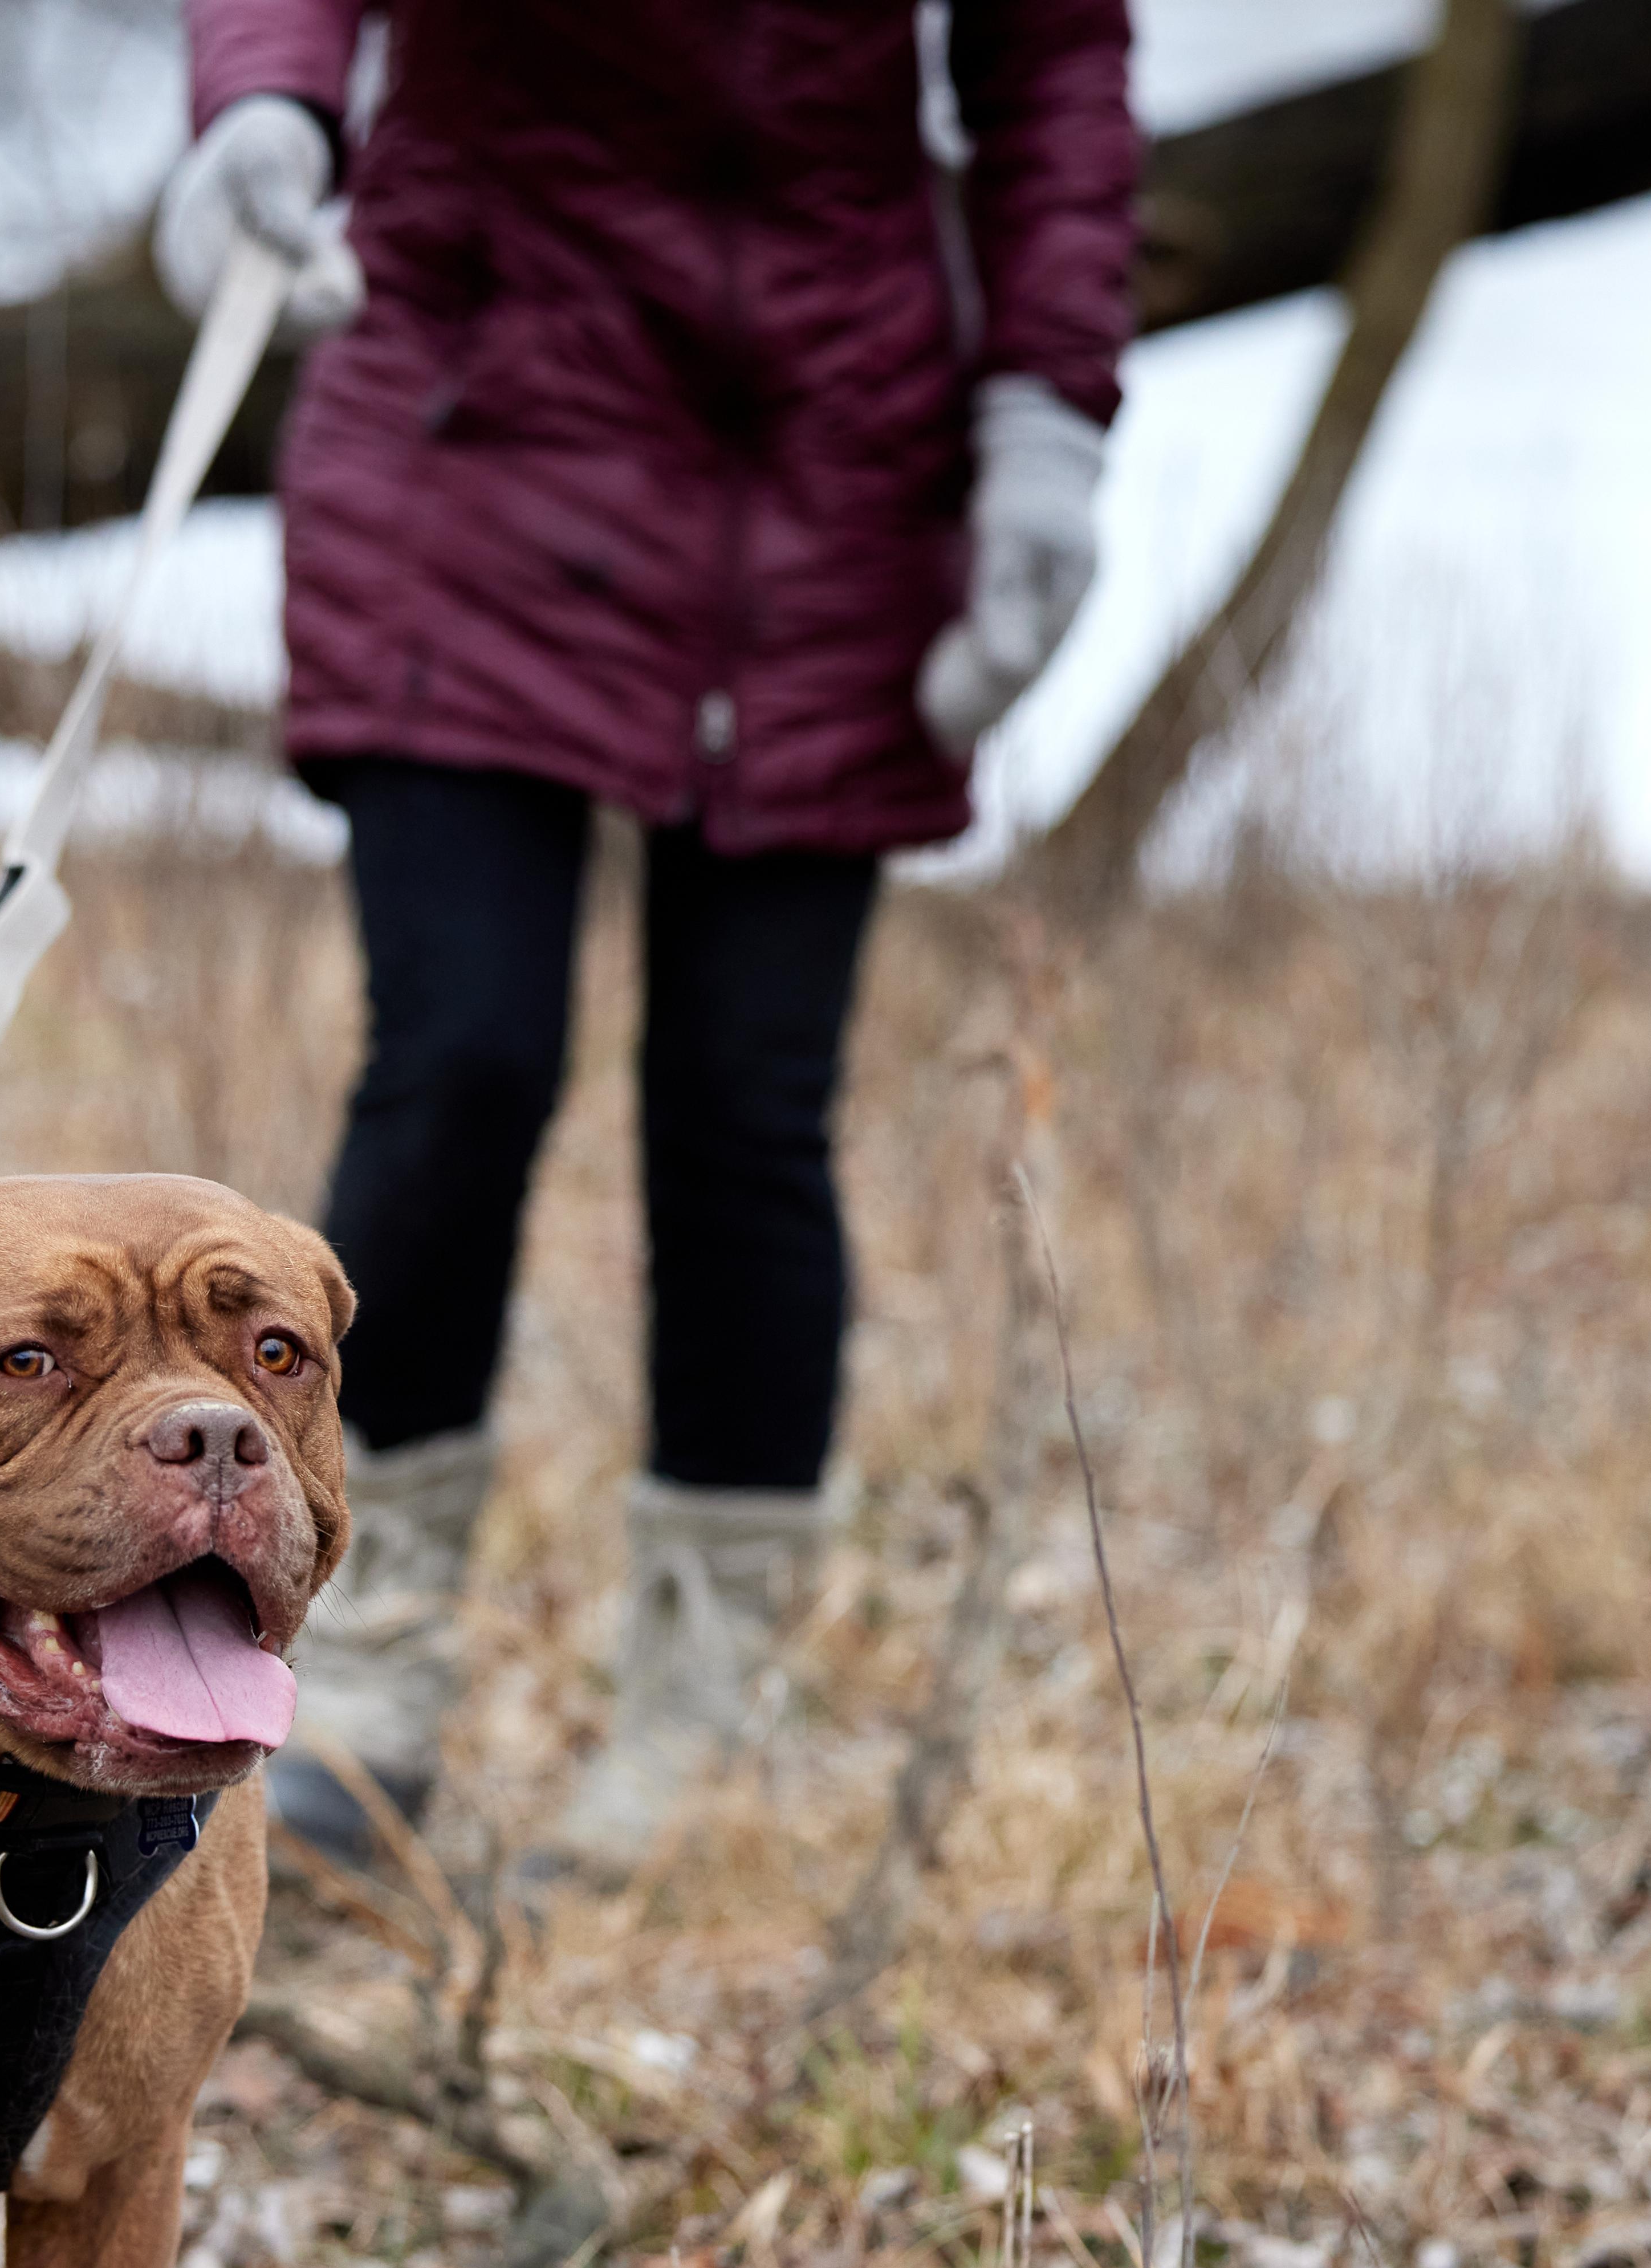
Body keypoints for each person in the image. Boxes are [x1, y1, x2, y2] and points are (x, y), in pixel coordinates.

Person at [156, 0, 1136, 1875]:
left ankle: (704, 1719)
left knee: (744, 1105)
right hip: (471, 380)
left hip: (834, 454)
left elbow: (1055, 61)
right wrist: (261, 107)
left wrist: (1045, 425)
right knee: (461, 1054)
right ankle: (359, 1655)